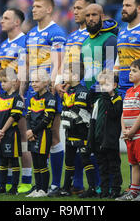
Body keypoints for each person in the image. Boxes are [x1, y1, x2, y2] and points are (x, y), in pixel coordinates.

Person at [25, 0, 66, 195]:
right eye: (33, 6)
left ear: (49, 9)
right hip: (34, 91)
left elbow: (59, 62)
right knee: (35, 136)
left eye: (38, 6)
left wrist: (55, 83)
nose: (33, 9)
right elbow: (27, 63)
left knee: (53, 136)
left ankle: (55, 184)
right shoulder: (31, 33)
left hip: (50, 91)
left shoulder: (56, 32)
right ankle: (40, 183)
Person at [0, 8, 32, 193]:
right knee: (4, 138)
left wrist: (21, 92)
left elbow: (24, 69)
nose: (1, 21)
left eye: (6, 18)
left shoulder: (25, 42)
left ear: (17, 22)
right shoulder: (2, 45)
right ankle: (8, 180)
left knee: (22, 138)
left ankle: (26, 179)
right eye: (2, 17)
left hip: (17, 97)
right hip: (3, 98)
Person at [57, 62, 97, 198]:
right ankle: (66, 188)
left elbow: (77, 113)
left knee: (86, 160)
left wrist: (66, 113)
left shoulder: (82, 92)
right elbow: (66, 111)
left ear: (74, 75)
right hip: (70, 132)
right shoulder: (68, 91)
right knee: (69, 161)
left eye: (66, 73)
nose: (63, 75)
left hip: (82, 133)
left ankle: (92, 188)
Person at [116, 59, 140, 201]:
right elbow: (124, 112)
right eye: (130, 70)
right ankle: (134, 191)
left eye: (134, 71)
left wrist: (132, 131)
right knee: (134, 163)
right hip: (129, 134)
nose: (130, 73)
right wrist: (124, 129)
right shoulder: (129, 91)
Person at [87, 69, 123, 199]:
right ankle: (104, 190)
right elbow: (93, 120)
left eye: (106, 85)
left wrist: (106, 96)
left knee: (113, 166)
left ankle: (115, 189)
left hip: (110, 139)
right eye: (101, 85)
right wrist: (91, 140)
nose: (103, 88)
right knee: (102, 167)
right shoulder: (98, 101)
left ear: (114, 85)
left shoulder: (117, 99)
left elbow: (114, 114)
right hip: (98, 139)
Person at [25, 69, 57, 197]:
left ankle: (44, 189)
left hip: (43, 133)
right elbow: (28, 116)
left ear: (45, 82)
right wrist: (28, 131)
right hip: (32, 133)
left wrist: (33, 131)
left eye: (36, 81)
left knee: (42, 162)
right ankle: (37, 188)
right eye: (32, 81)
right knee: (35, 163)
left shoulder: (50, 98)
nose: (33, 84)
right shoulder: (32, 98)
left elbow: (47, 118)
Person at [0, 69, 25, 195]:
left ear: (13, 82)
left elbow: (14, 116)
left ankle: (14, 188)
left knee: (13, 160)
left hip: (11, 134)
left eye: (5, 81)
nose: (2, 84)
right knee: (2, 161)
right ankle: (2, 187)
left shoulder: (17, 98)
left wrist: (3, 130)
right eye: (1, 82)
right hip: (0, 134)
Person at [81, 3, 118, 102]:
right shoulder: (85, 42)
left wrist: (93, 91)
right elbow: (83, 71)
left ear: (102, 17)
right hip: (87, 98)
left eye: (94, 15)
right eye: (87, 15)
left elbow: (108, 71)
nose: (90, 18)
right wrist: (82, 90)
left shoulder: (110, 39)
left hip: (103, 97)